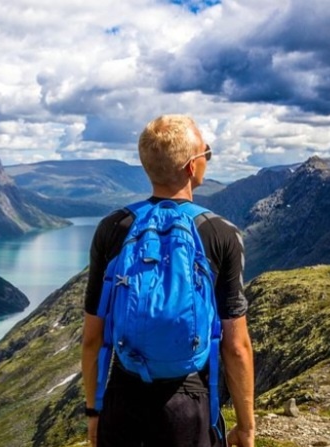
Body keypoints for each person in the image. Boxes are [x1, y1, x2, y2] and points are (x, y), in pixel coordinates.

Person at [81, 115, 255, 447]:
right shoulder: (221, 233)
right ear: (192, 167)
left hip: (123, 395)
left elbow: (93, 339)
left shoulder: (113, 227)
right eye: (207, 153)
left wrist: (94, 413)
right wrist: (245, 428)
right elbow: (236, 346)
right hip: (189, 401)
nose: (207, 159)